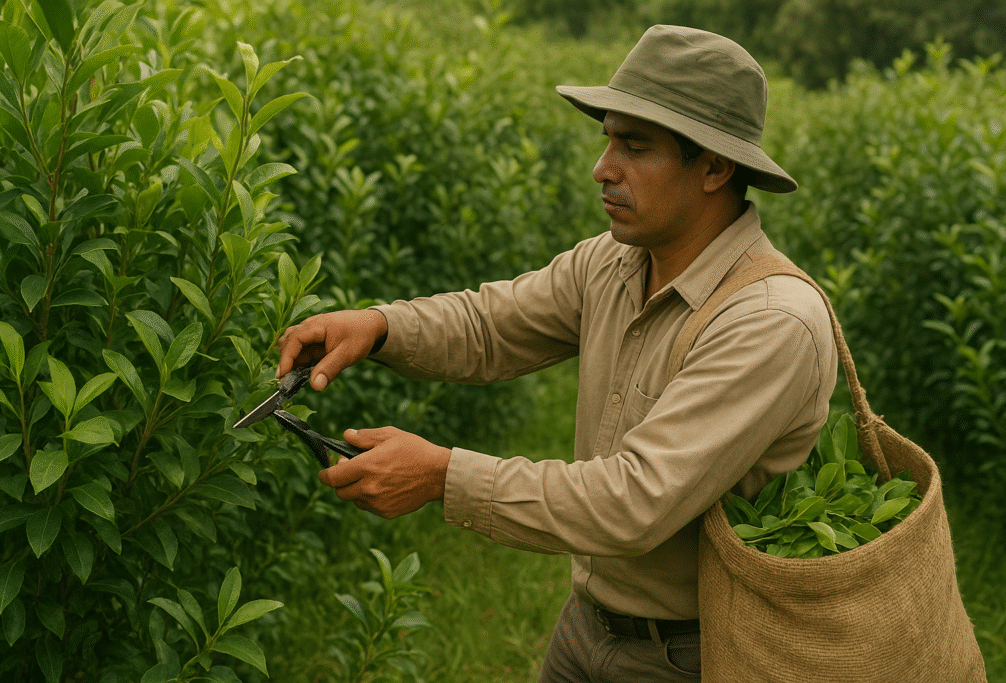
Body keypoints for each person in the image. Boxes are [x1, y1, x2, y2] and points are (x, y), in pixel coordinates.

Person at [276, 25, 838, 682]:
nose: (603, 168)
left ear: (715, 166)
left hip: (698, 653)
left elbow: (634, 501)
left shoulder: (769, 322)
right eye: (607, 138)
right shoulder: (617, 260)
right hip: (587, 624)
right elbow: (492, 325)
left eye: (635, 146)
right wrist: (378, 327)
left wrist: (442, 476)